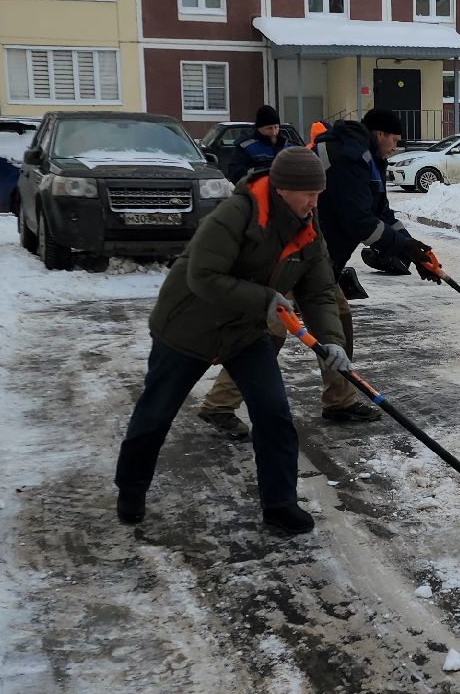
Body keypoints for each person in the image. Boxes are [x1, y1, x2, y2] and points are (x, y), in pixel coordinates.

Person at [114, 148, 350, 536]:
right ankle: (131, 488)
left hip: (244, 331)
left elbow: (319, 289)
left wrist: (331, 340)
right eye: (308, 194)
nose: (314, 202)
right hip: (188, 326)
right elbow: (203, 276)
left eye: (318, 194)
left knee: (273, 413)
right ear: (281, 190)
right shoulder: (236, 214)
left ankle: (280, 504)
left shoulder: (307, 224)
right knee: (156, 412)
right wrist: (264, 300)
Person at [312, 107, 442, 420]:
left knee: (338, 323)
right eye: (394, 140)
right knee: (268, 330)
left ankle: (338, 402)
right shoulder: (350, 158)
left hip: (322, 260)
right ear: (380, 134)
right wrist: (404, 248)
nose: (396, 147)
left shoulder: (369, 160)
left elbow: (381, 212)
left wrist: (415, 251)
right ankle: (220, 403)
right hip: (300, 258)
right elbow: (359, 222)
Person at [225, 104, 284, 184]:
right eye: (269, 128)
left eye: (276, 127)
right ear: (259, 128)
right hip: (254, 190)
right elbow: (235, 173)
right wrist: (260, 171)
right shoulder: (246, 146)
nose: (274, 132)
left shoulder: (287, 145)